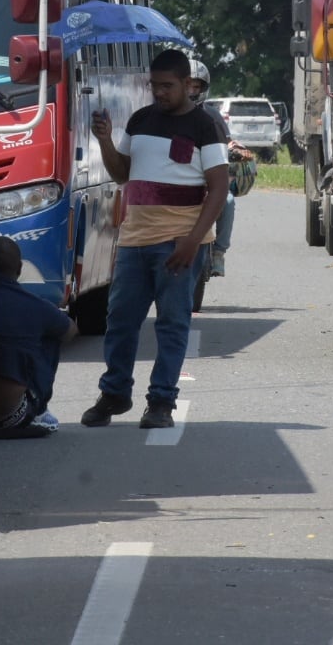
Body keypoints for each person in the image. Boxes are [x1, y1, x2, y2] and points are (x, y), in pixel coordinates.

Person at [82, 48, 229, 429]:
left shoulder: (205, 126)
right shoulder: (141, 119)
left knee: (172, 324)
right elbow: (122, 174)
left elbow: (217, 188)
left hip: (179, 242)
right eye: (154, 86)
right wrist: (105, 141)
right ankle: (114, 394)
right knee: (120, 321)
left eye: (167, 86)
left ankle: (161, 403)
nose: (159, 93)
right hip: (134, 239)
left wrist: (194, 240)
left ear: (187, 85)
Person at [0, 236, 75, 438]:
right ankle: (39, 408)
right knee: (53, 334)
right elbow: (70, 331)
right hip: (13, 414)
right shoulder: (35, 305)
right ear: (20, 269)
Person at [186, 59, 248, 277]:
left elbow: (228, 141)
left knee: (228, 201)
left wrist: (237, 149)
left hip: (207, 177)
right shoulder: (164, 115)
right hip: (178, 178)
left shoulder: (212, 116)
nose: (192, 91)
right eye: (188, 85)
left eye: (197, 86)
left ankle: (219, 252)